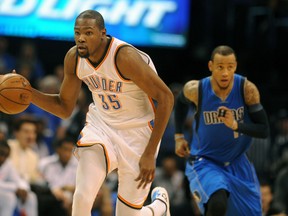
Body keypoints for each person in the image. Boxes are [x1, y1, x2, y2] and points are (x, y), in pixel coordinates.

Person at [10, 10, 174, 216]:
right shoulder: (74, 58)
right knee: (82, 197)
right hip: (102, 127)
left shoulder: (124, 57)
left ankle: (159, 207)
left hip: (138, 134)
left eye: (88, 33)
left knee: (127, 214)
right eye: (77, 32)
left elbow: (166, 98)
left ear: (102, 34)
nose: (81, 38)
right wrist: (29, 93)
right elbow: (64, 107)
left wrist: (150, 152)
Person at [174, 45, 270, 215]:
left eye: (230, 67)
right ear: (211, 66)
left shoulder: (247, 90)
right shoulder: (196, 90)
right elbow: (180, 102)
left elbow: (264, 130)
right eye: (220, 67)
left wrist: (236, 125)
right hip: (206, 160)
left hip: (238, 162)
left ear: (236, 66)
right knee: (218, 203)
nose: (225, 72)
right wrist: (179, 136)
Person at [0, 139, 38, 216]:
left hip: (4, 190)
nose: (3, 158)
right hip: (4, 192)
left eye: (6, 155)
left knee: (31, 197)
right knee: (9, 197)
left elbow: (18, 180)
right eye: (1, 154)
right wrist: (15, 189)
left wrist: (23, 189)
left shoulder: (7, 163)